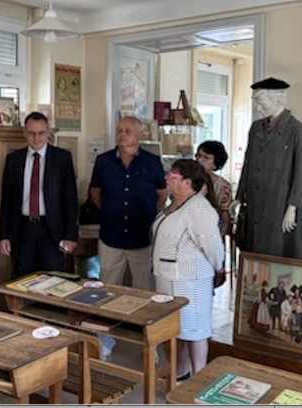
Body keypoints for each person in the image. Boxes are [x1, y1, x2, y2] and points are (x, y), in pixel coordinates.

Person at [89, 116, 166, 359]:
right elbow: (95, 193)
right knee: (106, 290)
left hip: (142, 237)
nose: (123, 134)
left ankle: (149, 344)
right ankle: (105, 340)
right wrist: (112, 213)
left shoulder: (152, 162)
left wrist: (144, 215)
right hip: (111, 236)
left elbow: (161, 195)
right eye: (120, 130)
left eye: (128, 131)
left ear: (139, 135)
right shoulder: (103, 161)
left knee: (144, 292)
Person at [151, 159, 225, 378]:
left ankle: (199, 376)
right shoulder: (174, 203)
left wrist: (218, 267)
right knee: (176, 330)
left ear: (187, 182)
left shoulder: (199, 208)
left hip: (190, 281)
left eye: (172, 176)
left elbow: (212, 246)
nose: (166, 178)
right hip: (167, 279)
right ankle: (179, 370)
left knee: (195, 329)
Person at [233, 77, 302, 259]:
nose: (258, 108)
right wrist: (239, 197)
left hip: (279, 207)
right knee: (253, 258)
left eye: (261, 102)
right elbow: (248, 163)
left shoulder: (299, 132)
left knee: (278, 257)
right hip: (255, 206)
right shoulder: (256, 128)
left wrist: (292, 208)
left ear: (277, 99)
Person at [0, 112, 79, 276]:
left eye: (41, 133)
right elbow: (7, 201)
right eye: (32, 133)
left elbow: (70, 200)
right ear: (24, 132)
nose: (36, 138)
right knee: (24, 281)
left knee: (54, 282)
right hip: (23, 229)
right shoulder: (13, 160)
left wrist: (71, 235)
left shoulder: (62, 159)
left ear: (48, 132)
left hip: (52, 230)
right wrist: (4, 235)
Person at [195, 141, 232, 238]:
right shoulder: (187, 180)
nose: (200, 160)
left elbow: (225, 218)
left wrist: (219, 237)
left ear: (215, 163)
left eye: (206, 157)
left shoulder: (223, 185)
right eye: (198, 156)